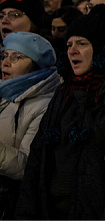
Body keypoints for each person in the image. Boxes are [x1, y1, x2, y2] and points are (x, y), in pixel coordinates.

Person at [16, 4, 105, 219]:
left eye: (82, 43)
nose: (72, 50)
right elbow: (38, 154)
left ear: (100, 49)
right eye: (70, 43)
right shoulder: (65, 91)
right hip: (50, 209)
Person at [0, 32, 60, 219]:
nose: (6, 63)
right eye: (4, 55)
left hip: (13, 202)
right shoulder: (5, 92)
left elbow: (27, 166)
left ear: (36, 66)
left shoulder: (44, 105)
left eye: (16, 57)